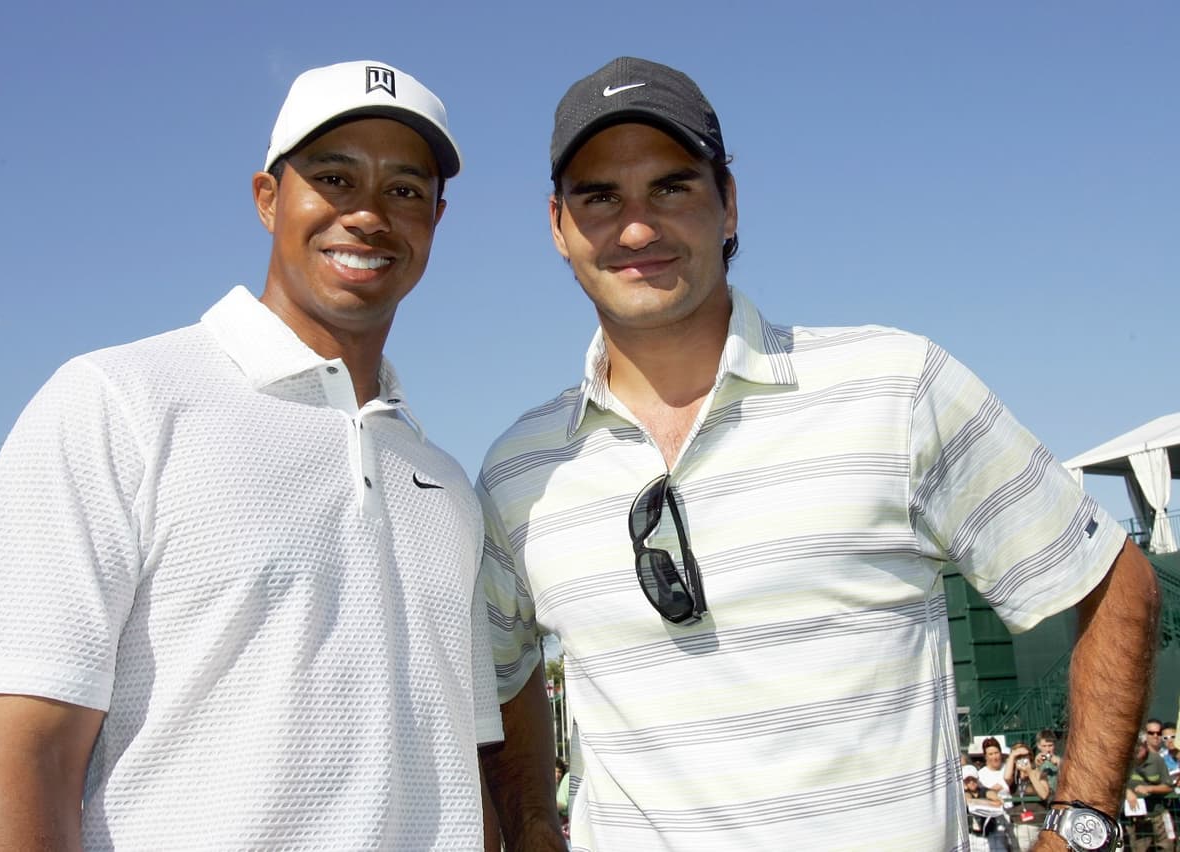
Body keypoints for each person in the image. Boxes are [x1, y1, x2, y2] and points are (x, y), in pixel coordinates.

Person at [477, 55, 1161, 851]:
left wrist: (1077, 830)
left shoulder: (897, 387)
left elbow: (1116, 579)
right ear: (558, 225)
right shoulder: (519, 470)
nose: (636, 227)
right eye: (599, 197)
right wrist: (532, 826)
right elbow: (500, 667)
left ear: (728, 204)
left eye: (672, 186)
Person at [0, 60, 503, 851]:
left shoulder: (446, 488)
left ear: (436, 218)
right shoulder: (116, 400)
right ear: (269, 198)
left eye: (404, 190)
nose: (368, 215)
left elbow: (461, 765)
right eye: (334, 177)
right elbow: (28, 750)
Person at [1125, 733, 1176, 852]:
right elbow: (1114, 783)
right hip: (1136, 817)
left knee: (1167, 847)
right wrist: (1127, 791)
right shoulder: (1125, 761)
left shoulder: (1156, 759)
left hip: (1157, 813)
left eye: (1140, 746)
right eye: (1134, 747)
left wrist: (1149, 789)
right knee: (1140, 849)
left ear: (1145, 745)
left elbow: (1169, 787)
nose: (1137, 750)